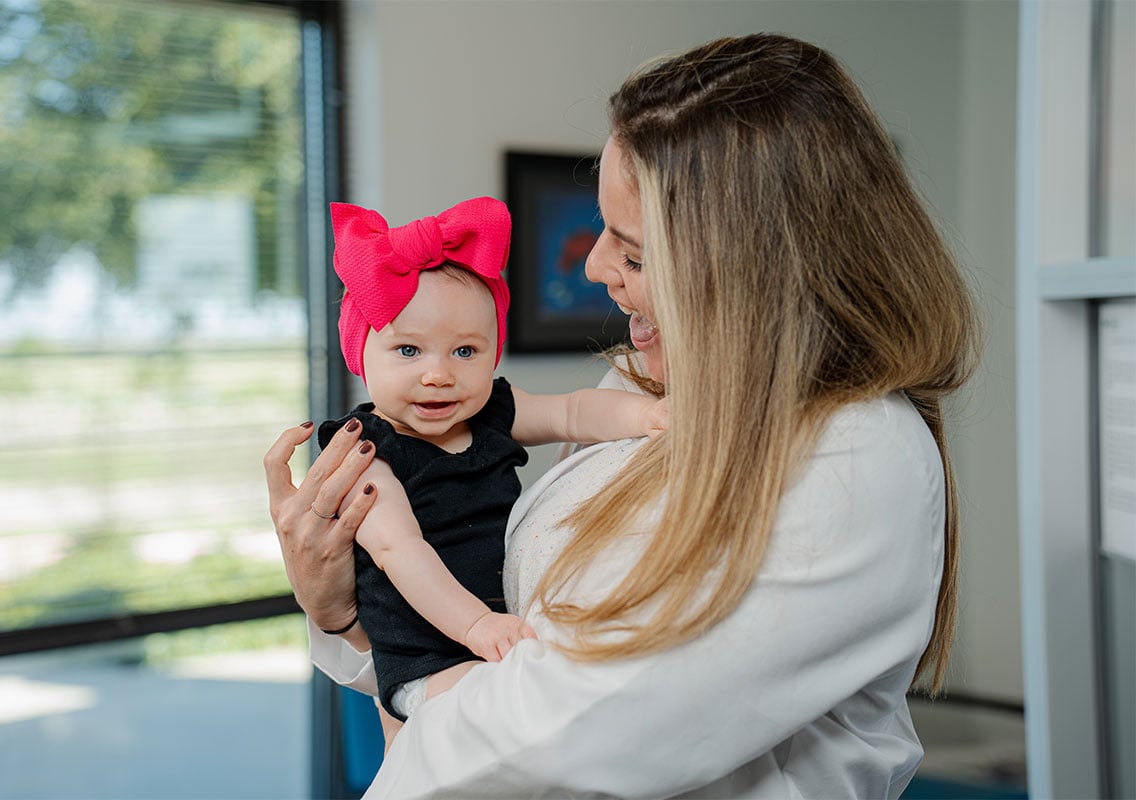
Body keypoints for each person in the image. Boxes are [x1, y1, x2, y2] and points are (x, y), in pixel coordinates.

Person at [264, 32, 980, 798]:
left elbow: (566, 739)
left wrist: (404, 734)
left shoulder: (852, 457)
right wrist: (341, 613)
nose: (595, 266)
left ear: (751, 275)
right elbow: (511, 642)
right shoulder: (642, 391)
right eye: (602, 228)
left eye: (635, 254)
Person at [311, 196, 666, 746]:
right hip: (425, 658)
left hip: (494, 632)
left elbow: (571, 411)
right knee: (508, 728)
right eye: (408, 350)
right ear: (360, 353)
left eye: (465, 352)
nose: (438, 375)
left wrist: (646, 414)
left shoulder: (491, 412)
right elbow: (399, 550)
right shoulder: (367, 453)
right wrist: (476, 626)